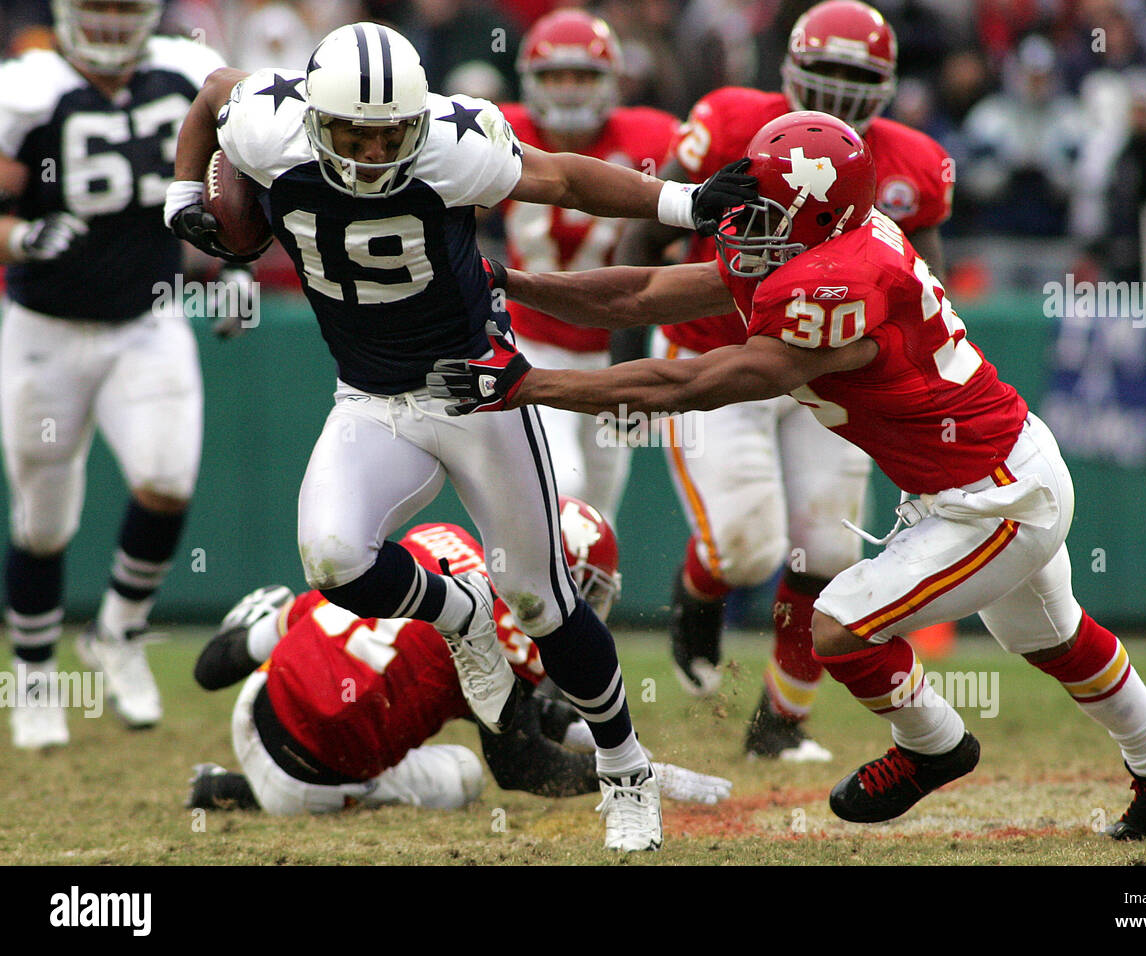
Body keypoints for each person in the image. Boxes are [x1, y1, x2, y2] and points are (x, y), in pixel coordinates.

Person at [427, 111, 1146, 841]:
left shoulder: (835, 283)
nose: (745, 221)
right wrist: (517, 287)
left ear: (814, 218)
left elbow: (692, 383)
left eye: (768, 209)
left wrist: (530, 384)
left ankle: (933, 745)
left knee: (842, 623)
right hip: (992, 472)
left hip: (995, 496)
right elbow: (644, 290)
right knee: (1048, 635)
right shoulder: (815, 242)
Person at [164, 20, 751, 850]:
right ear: (312, 119)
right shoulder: (269, 120)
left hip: (475, 388)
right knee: (333, 556)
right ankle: (459, 611)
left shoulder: (455, 143)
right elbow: (215, 90)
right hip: (369, 395)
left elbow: (561, 178)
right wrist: (181, 196)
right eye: (352, 133)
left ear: (418, 119)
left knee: (543, 598)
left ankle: (626, 773)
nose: (371, 152)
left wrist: (684, 201)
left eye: (388, 133)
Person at [615, 0, 954, 763]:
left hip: (828, 373)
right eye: (824, 69)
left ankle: (779, 723)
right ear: (791, 68)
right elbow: (647, 230)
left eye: (854, 75)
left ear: (888, 85)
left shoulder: (912, 164)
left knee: (827, 550)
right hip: (720, 358)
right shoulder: (730, 124)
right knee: (744, 546)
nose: (836, 88)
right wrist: (622, 356)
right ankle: (700, 589)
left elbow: (924, 286)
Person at [0, 0, 236, 749]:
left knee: (166, 480)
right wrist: (24, 235)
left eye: (121, 9)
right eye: (94, 9)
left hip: (147, 320)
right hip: (46, 330)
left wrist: (220, 263)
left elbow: (225, 187)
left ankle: (119, 634)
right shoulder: (28, 89)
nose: (106, 25)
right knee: (43, 520)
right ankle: (35, 675)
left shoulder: (187, 74)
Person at [187, 501, 731, 816]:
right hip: (305, 785)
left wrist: (602, 738)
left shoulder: (439, 537)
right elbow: (523, 768)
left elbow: (512, 709)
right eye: (585, 591)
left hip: (258, 700)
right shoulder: (514, 640)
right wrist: (636, 775)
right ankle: (242, 792)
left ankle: (262, 620)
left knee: (321, 612)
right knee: (465, 774)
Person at [498, 10, 678, 522]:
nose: (570, 90)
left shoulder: (651, 137)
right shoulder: (499, 129)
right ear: (530, 82)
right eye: (555, 77)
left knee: (598, 517)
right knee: (562, 497)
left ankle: (582, 604)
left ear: (612, 82)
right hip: (530, 345)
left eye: (583, 76)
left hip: (611, 357)